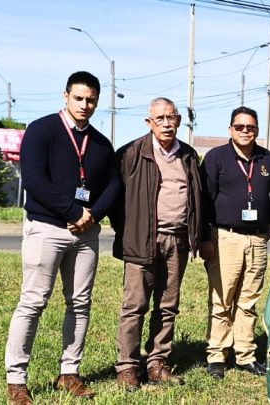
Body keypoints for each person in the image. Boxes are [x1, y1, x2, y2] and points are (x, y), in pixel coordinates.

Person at [5, 71, 120, 405]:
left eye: (92, 100)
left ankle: (69, 372)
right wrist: (73, 211)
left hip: (86, 232)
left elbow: (113, 185)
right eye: (79, 98)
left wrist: (92, 215)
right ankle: (17, 380)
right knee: (33, 302)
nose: (85, 105)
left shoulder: (100, 142)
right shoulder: (42, 130)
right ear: (65, 96)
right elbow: (35, 180)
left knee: (80, 303)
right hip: (47, 227)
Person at [111, 97, 203, 391]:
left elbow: (198, 199)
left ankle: (157, 362)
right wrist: (127, 231)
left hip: (178, 241)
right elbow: (115, 198)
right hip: (140, 240)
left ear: (178, 120)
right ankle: (127, 366)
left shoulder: (188, 155)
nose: (166, 123)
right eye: (160, 118)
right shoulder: (132, 153)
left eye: (171, 117)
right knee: (134, 305)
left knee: (167, 306)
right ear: (148, 122)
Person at [199, 106, 270, 379]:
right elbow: (202, 200)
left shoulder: (266, 159)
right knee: (222, 300)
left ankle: (245, 354)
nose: (245, 132)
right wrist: (204, 237)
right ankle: (216, 356)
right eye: (240, 127)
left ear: (257, 130)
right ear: (230, 129)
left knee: (248, 300)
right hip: (225, 237)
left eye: (251, 128)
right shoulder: (216, 158)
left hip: (258, 239)